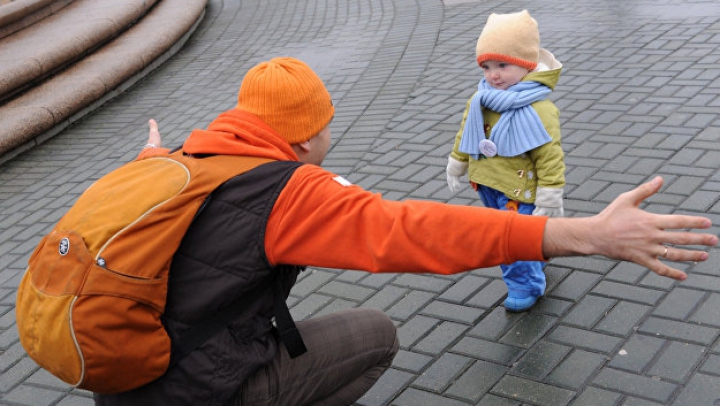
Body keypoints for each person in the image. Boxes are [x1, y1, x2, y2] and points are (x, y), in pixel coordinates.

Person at [95, 57, 717, 406]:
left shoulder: (179, 161)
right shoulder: (287, 191)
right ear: (306, 137)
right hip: (198, 393)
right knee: (376, 335)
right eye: (326, 126)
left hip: (122, 381)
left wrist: (151, 158)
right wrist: (583, 235)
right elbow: (410, 231)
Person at [446, 10, 565, 312]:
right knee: (521, 237)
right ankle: (538, 252)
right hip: (487, 183)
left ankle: (525, 285)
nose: (493, 74)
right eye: (486, 66)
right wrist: (457, 161)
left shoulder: (539, 108)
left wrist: (551, 190)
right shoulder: (480, 99)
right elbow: (466, 132)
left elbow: (549, 153)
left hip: (520, 188)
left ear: (525, 65)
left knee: (507, 242)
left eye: (502, 65)